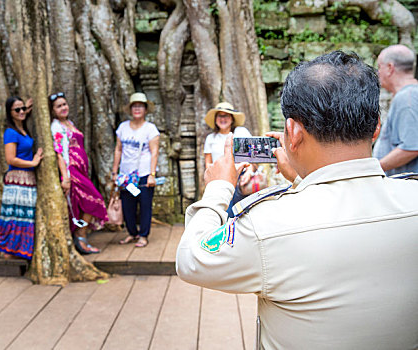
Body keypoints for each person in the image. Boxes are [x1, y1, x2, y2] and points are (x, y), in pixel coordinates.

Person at [176, 51, 418, 349]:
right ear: (376, 127)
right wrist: (301, 178)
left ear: (292, 132)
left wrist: (217, 188)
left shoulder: (265, 224)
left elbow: (192, 260)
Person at [49, 92, 108, 254]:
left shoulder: (70, 123)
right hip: (72, 172)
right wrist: (65, 177)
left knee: (82, 206)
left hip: (81, 171)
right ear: (53, 110)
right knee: (93, 200)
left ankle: (80, 238)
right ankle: (80, 236)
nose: (63, 108)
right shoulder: (56, 127)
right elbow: (59, 153)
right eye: (59, 106)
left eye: (64, 104)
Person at [0, 96, 43, 259]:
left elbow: (22, 112)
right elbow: (10, 159)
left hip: (28, 179)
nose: (21, 112)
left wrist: (26, 107)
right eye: (17, 110)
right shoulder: (10, 132)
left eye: (23, 109)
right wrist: (33, 162)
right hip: (17, 179)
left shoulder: (23, 129)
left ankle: (13, 247)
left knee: (25, 215)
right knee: (16, 216)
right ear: (10, 113)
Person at [112, 92, 160, 248]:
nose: (137, 109)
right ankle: (132, 233)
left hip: (143, 174)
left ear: (145, 109)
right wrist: (115, 172)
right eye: (134, 106)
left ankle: (144, 235)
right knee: (128, 205)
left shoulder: (150, 129)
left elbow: (154, 152)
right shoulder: (123, 127)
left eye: (140, 106)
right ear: (130, 109)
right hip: (126, 176)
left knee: (144, 204)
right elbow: (118, 150)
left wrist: (152, 175)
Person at [203, 102, 256, 215]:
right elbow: (208, 162)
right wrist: (211, 181)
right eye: (220, 116)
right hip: (220, 178)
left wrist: (249, 172)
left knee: (242, 212)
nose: (223, 119)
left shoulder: (241, 132)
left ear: (232, 119)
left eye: (226, 116)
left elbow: (251, 155)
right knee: (225, 212)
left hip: (241, 176)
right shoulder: (211, 138)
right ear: (215, 119)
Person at [373, 44, 418, 175]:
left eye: (379, 67)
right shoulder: (408, 94)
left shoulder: (408, 97)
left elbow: (412, 147)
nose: (378, 72)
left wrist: (376, 168)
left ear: (390, 68)